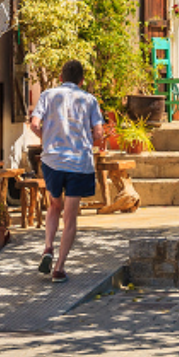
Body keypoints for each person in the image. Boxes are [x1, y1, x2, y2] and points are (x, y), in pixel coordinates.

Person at [28, 59, 112, 283]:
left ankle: (47, 247)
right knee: (71, 216)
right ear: (82, 80)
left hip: (52, 161)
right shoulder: (89, 100)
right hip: (78, 162)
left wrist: (47, 139)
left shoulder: (47, 95)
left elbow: (34, 124)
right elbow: (98, 134)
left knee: (54, 206)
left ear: (61, 78)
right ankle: (59, 268)